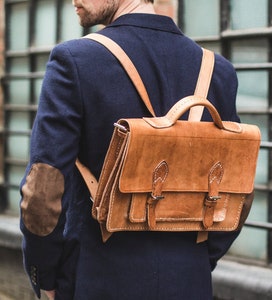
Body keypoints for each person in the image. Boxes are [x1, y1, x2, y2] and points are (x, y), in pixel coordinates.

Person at [19, 0, 241, 299]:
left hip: (94, 279)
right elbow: (238, 189)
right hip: (190, 281)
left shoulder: (74, 60)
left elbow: (42, 190)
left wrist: (44, 275)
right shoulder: (217, 70)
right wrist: (200, 257)